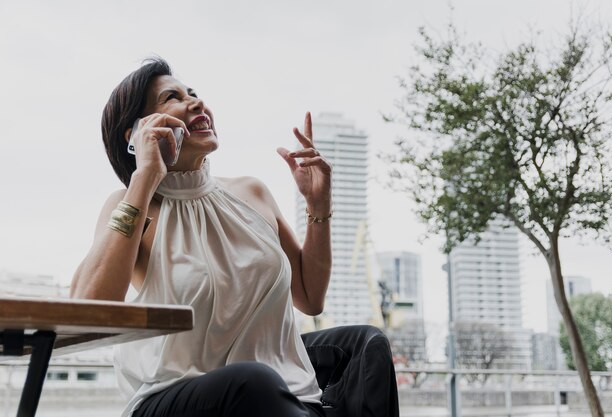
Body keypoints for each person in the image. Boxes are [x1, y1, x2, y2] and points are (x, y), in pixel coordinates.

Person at [70, 58, 398, 417]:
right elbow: (90, 309)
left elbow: (309, 298)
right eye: (172, 98)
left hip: (275, 393)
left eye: (194, 93)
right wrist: (145, 176)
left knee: (367, 345)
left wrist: (318, 206)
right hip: (176, 396)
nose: (196, 102)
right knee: (252, 381)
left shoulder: (251, 192)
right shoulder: (133, 205)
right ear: (136, 133)